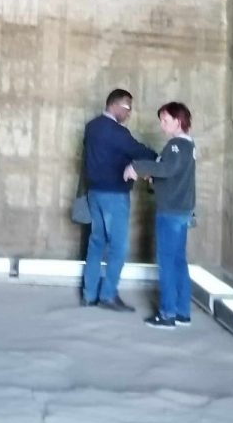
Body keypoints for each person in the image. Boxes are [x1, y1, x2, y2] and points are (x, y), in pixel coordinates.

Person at [81, 88, 156, 311]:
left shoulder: (91, 127)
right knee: (118, 246)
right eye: (127, 108)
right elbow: (139, 151)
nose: (129, 113)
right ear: (114, 105)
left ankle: (89, 294)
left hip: (94, 193)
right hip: (114, 195)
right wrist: (159, 160)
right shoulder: (117, 132)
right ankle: (108, 295)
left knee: (96, 243)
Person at [125, 101, 196, 327]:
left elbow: (167, 169)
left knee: (166, 262)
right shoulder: (188, 146)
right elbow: (173, 175)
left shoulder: (176, 145)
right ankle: (182, 312)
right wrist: (154, 176)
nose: (162, 125)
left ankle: (167, 314)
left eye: (165, 120)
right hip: (182, 210)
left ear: (178, 121)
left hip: (171, 211)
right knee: (178, 261)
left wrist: (137, 167)